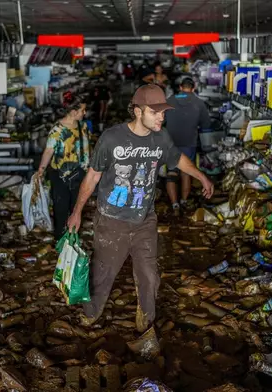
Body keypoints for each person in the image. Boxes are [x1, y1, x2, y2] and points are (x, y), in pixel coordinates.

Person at [66, 84, 214, 332]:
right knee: (102, 277)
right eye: (155, 113)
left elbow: (177, 159)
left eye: (163, 113)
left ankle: (145, 323)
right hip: (111, 221)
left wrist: (201, 177)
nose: (161, 117)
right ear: (137, 111)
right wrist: (77, 211)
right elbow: (92, 177)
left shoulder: (161, 137)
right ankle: (90, 315)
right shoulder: (112, 138)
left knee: (150, 277)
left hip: (145, 218)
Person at [36, 94, 89, 240]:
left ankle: (73, 240)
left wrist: (88, 169)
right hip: (60, 175)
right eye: (82, 110)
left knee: (76, 208)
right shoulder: (57, 130)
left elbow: (85, 149)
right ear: (73, 112)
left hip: (79, 174)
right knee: (60, 208)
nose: (85, 113)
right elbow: (49, 151)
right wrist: (41, 169)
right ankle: (60, 240)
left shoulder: (83, 126)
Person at [163, 77, 211, 215]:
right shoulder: (199, 103)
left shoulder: (170, 100)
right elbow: (206, 125)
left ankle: (175, 205)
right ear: (193, 88)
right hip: (189, 143)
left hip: (171, 142)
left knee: (171, 173)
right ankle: (184, 200)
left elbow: (161, 120)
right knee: (186, 172)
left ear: (180, 87)